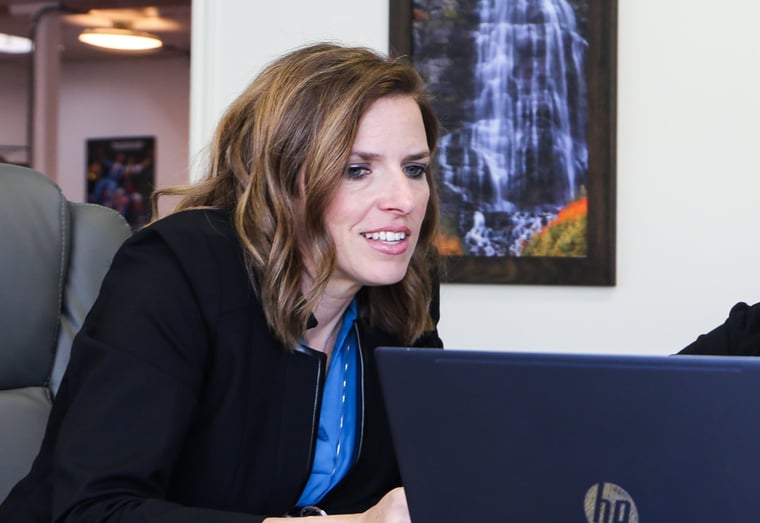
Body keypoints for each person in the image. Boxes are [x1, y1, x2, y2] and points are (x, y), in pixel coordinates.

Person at [0, 42, 443, 522]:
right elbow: (94, 512)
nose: (404, 199)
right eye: (357, 170)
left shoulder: (404, 291)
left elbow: (427, 470)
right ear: (280, 178)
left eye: (414, 169)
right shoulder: (177, 269)